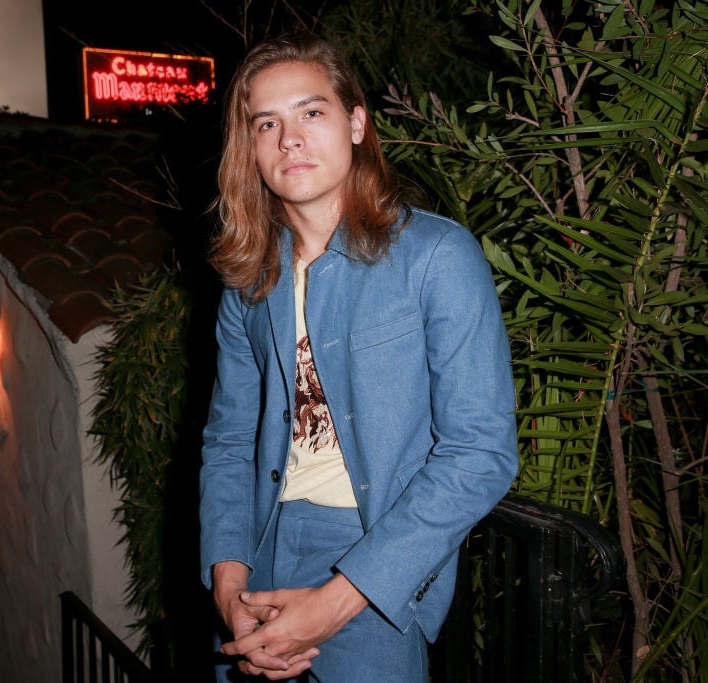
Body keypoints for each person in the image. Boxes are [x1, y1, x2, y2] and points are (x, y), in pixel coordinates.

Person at [198, 32, 519, 682]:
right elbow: (229, 440)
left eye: (311, 111)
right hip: (257, 554)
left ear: (355, 122)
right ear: (250, 146)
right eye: (267, 122)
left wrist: (342, 597)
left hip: (375, 560)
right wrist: (227, 585)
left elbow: (481, 451)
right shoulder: (248, 281)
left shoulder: (437, 259)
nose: (290, 138)